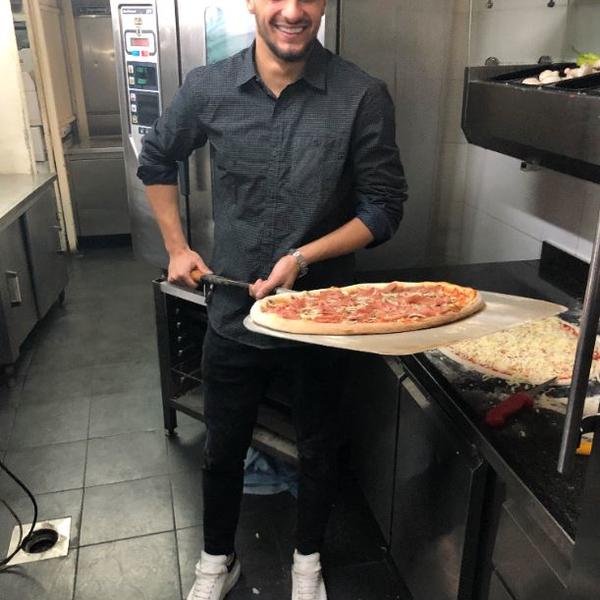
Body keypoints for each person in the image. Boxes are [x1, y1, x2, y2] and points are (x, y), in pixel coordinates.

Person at [137, 1, 407, 598]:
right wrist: (177, 247)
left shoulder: (362, 95)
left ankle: (307, 561)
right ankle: (217, 559)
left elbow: (384, 207)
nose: (292, 10)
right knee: (222, 448)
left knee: (319, 448)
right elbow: (156, 158)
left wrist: (302, 258)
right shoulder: (209, 87)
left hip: (322, 317)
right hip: (234, 314)